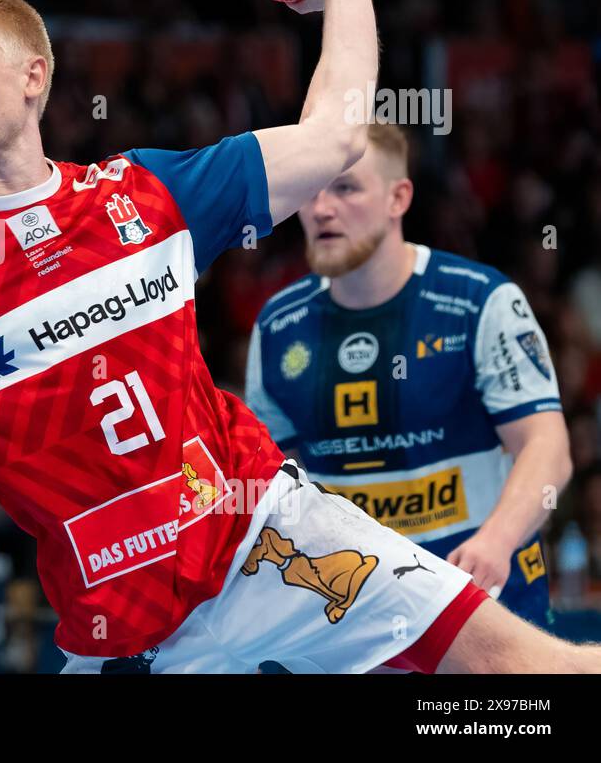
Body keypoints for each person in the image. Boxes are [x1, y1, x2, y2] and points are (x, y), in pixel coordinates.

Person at [0, 0, 601, 672]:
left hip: (273, 541)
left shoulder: (145, 194)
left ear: (34, 76)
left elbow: (334, 136)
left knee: (525, 672)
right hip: (119, 626)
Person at [245, 121, 571, 628]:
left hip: (480, 597)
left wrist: (496, 541)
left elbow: (546, 446)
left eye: (346, 187)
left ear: (398, 198)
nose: (321, 207)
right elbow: (278, 480)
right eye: (311, 190)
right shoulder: (277, 326)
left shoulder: (478, 300)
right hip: (351, 615)